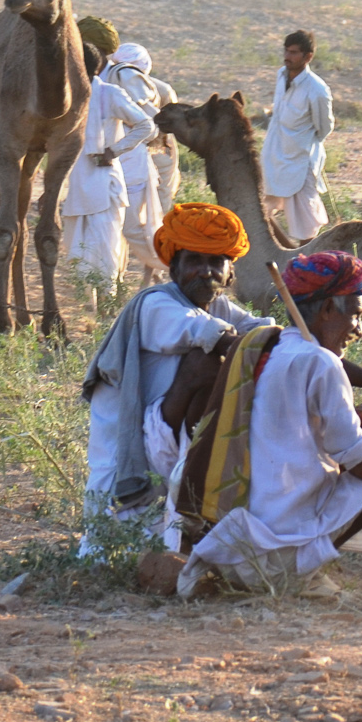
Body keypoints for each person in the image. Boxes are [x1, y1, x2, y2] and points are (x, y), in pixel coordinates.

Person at [176, 252, 362, 598]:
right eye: (355, 315)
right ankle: (305, 572)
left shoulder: (267, 349)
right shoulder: (321, 362)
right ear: (326, 311)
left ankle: (300, 565)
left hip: (235, 552)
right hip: (278, 561)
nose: (360, 330)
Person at [81, 204, 268, 526]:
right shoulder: (156, 304)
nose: (206, 271)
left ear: (230, 271)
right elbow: (210, 334)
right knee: (207, 360)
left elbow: (263, 333)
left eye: (215, 262)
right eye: (194, 260)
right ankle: (197, 477)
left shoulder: (220, 306)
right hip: (129, 462)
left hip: (168, 445)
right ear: (174, 268)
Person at [61, 44, 155, 283]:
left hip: (104, 184)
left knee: (105, 254)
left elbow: (146, 126)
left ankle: (105, 312)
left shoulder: (109, 94)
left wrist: (113, 151)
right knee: (79, 257)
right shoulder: (64, 97)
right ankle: (91, 311)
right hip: (75, 186)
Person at [103, 44, 169, 283]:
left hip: (142, 164)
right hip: (122, 162)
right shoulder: (106, 87)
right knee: (124, 227)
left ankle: (165, 270)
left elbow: (156, 132)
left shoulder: (155, 89)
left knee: (139, 226)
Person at [261, 29, 334, 242]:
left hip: (301, 164)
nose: (287, 57)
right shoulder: (281, 75)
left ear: (308, 56)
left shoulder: (317, 89)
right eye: (286, 51)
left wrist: (300, 140)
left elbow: (324, 128)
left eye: (293, 53)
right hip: (274, 157)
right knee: (263, 214)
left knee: (306, 228)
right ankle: (288, 254)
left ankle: (308, 265)